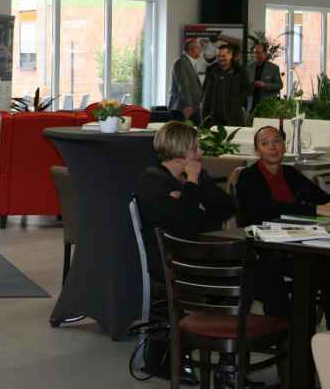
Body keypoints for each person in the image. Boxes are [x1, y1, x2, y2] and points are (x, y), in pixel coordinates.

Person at [235, 126, 330, 320]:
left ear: (284, 146)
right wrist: (314, 210)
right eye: (265, 143)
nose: (272, 147)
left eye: (277, 141)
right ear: (257, 150)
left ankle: (318, 333)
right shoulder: (248, 176)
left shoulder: (291, 173)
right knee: (290, 273)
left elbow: (321, 198)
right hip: (265, 249)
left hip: (298, 243)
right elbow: (268, 208)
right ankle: (290, 331)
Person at [136, 121, 236, 282]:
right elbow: (186, 222)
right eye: (195, 148)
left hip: (202, 252)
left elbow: (227, 208)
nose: (201, 152)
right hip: (174, 261)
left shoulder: (194, 174)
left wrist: (193, 188)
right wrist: (192, 185)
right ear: (180, 150)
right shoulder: (153, 181)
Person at [201, 43, 251, 127]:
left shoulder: (240, 71)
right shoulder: (211, 71)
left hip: (233, 116)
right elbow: (205, 91)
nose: (220, 58)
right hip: (213, 117)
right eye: (219, 56)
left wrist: (237, 101)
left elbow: (248, 89)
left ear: (230, 55)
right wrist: (205, 114)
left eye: (223, 56)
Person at [168, 38, 203, 124]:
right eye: (198, 48)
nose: (201, 50)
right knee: (179, 132)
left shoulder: (189, 62)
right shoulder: (181, 62)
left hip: (192, 107)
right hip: (183, 108)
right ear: (191, 50)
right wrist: (188, 105)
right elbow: (183, 85)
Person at [246, 43, 282, 112]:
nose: (255, 55)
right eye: (254, 53)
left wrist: (265, 85)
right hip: (252, 104)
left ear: (265, 54)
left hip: (267, 105)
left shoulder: (273, 68)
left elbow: (279, 85)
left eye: (258, 52)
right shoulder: (249, 68)